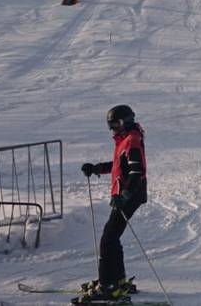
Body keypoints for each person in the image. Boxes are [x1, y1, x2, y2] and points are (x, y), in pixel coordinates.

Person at [78, 105, 148, 303]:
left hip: (130, 195)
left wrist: (124, 195)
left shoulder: (132, 140)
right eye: (111, 126)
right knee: (112, 237)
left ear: (125, 121)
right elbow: (118, 165)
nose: (113, 129)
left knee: (108, 239)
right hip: (127, 195)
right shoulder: (126, 139)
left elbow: (136, 172)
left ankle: (108, 285)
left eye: (116, 124)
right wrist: (96, 168)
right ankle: (116, 280)